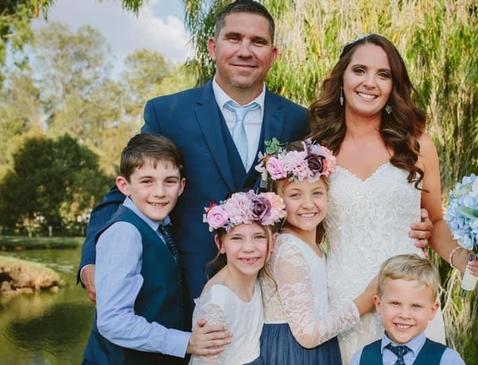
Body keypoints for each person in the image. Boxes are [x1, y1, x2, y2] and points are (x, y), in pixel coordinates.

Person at [78, 0, 309, 318]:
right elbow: (127, 192)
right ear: (213, 47)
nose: (245, 50)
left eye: (258, 42)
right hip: (185, 296)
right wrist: (92, 258)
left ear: (273, 54)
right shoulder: (169, 113)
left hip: (273, 299)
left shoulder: (299, 120)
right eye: (234, 38)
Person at [308, 33, 478, 362]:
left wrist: (462, 259)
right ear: (342, 78)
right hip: (344, 301)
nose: (370, 83)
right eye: (359, 70)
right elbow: (308, 231)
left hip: (411, 298)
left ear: (394, 86)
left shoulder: (418, 145)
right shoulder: (317, 150)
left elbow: (435, 220)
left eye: (383, 74)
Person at [82, 134, 224, 365]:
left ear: (182, 186)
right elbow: (113, 321)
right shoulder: (125, 233)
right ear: (124, 186)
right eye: (147, 181)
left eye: (169, 181)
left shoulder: (161, 227)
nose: (159, 192)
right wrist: (185, 342)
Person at [256, 139, 377, 364]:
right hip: (292, 353)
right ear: (278, 199)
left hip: (314, 350)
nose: (308, 204)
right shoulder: (288, 249)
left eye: (317, 193)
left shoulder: (310, 245)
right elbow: (309, 335)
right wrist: (363, 303)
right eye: (295, 195)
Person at [191, 190, 286, 365]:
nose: (248, 248)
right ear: (220, 244)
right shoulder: (218, 299)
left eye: (258, 237)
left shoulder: (259, 279)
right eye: (237, 238)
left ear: (272, 242)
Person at [349, 254, 464, 365]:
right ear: (378, 304)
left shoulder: (447, 360)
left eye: (416, 306)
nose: (404, 315)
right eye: (395, 303)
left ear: (432, 310)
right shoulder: (361, 359)